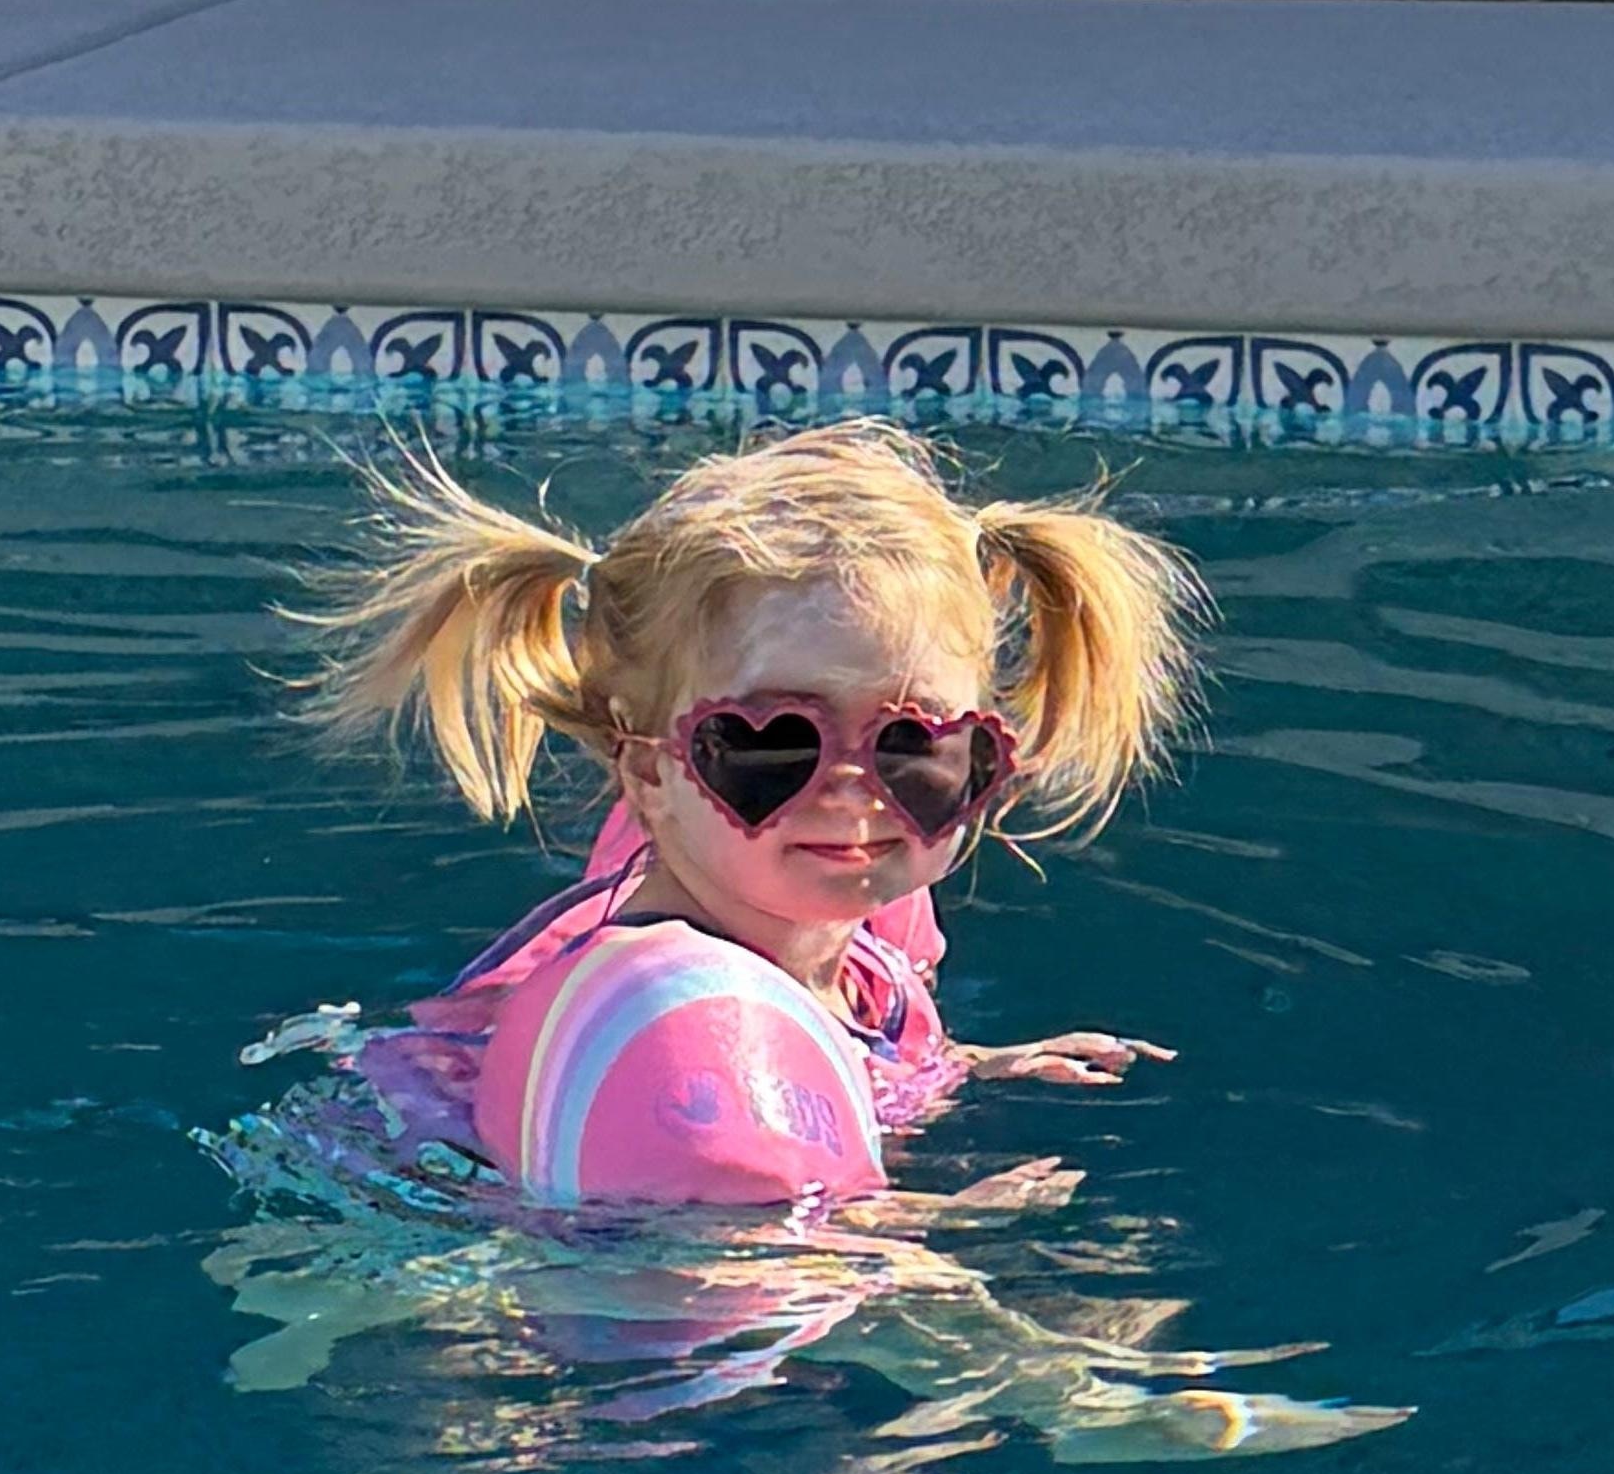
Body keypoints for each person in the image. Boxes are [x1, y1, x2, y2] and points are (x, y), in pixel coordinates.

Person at [299, 419, 1197, 1202]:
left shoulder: (859, 903)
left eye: (914, 744)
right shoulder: (660, 1006)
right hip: (452, 1206)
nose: (854, 789)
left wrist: (967, 1066)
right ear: (648, 772)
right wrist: (910, 1233)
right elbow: (709, 1236)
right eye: (774, 745)